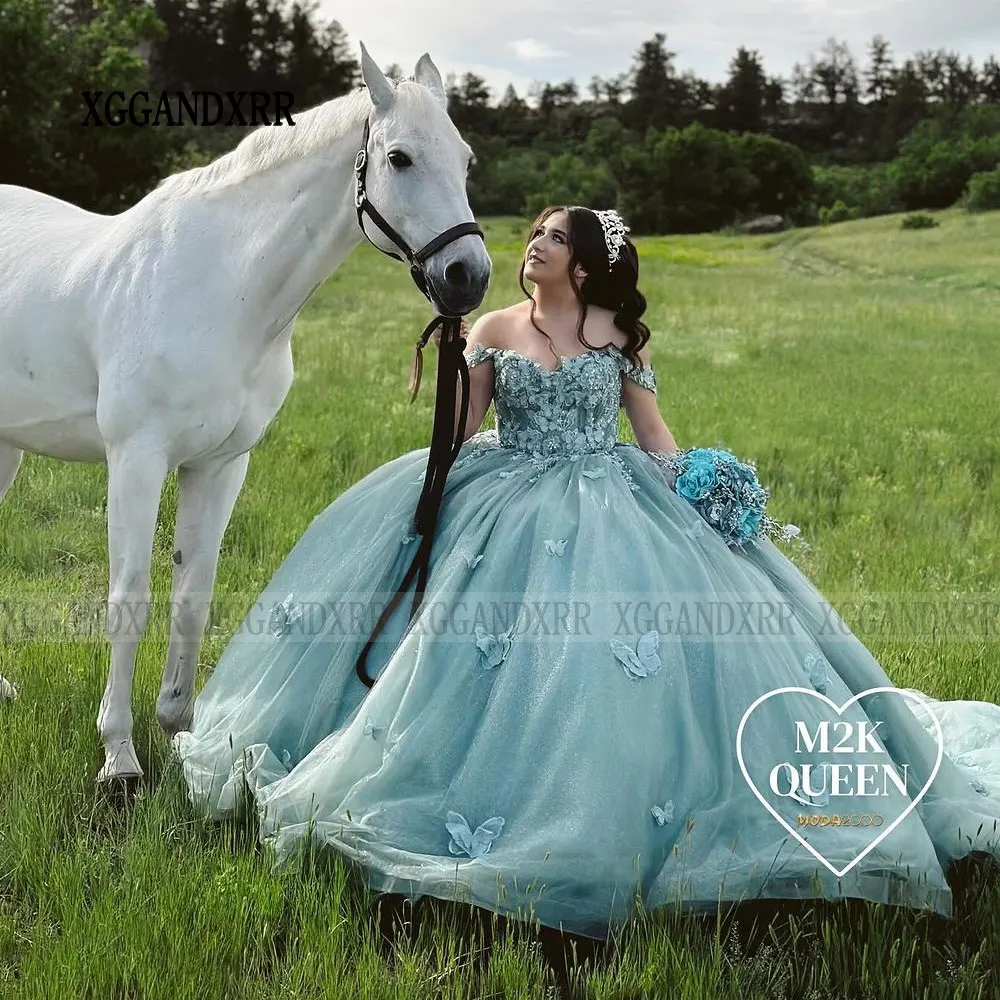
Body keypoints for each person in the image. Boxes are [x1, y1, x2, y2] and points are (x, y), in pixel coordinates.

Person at [174, 205, 1000, 942]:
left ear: (583, 266)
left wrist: (702, 492)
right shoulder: (495, 329)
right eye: (534, 233)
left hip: (614, 499)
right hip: (509, 497)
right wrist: (441, 434)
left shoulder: (619, 335)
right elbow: (460, 433)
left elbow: (653, 433)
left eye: (552, 238)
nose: (533, 245)